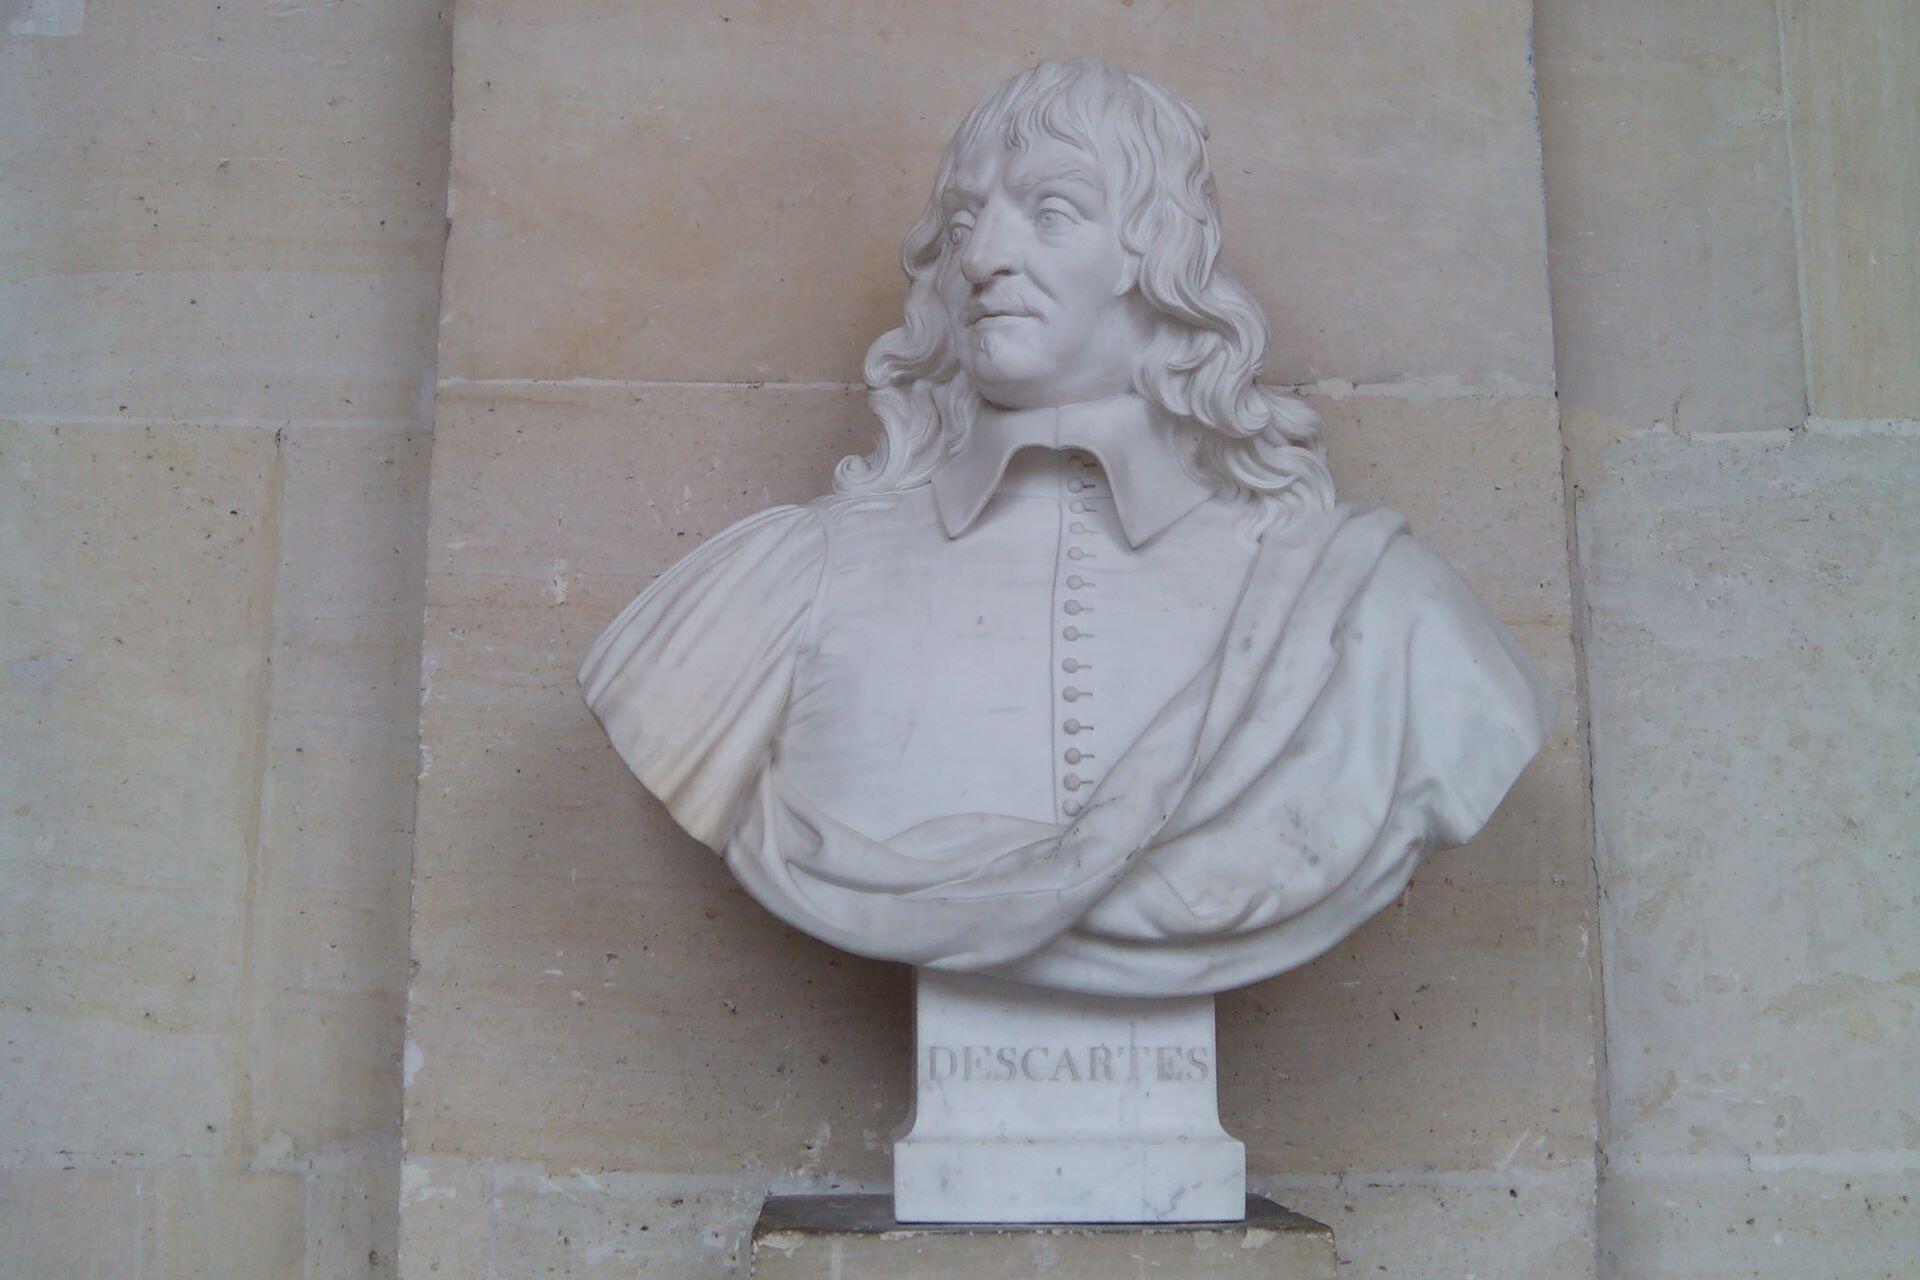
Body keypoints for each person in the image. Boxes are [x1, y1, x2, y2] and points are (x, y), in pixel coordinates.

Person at [579, 57, 1554, 996]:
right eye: (964, 220)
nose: (983, 257)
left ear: (1157, 253)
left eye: (1051, 212)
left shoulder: (1375, 610)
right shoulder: (782, 586)